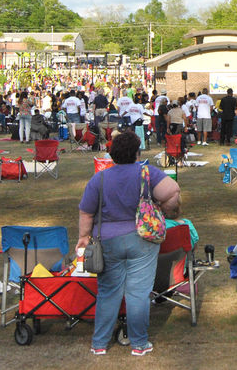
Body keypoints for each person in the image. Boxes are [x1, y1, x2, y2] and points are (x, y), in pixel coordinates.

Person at [76, 131, 181, 357]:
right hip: (142, 239)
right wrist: (163, 208)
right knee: (138, 294)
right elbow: (172, 191)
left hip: (109, 241)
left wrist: (83, 237)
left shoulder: (100, 178)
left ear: (112, 154)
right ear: (137, 152)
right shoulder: (147, 172)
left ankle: (99, 343)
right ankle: (139, 344)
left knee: (108, 293)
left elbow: (86, 212)